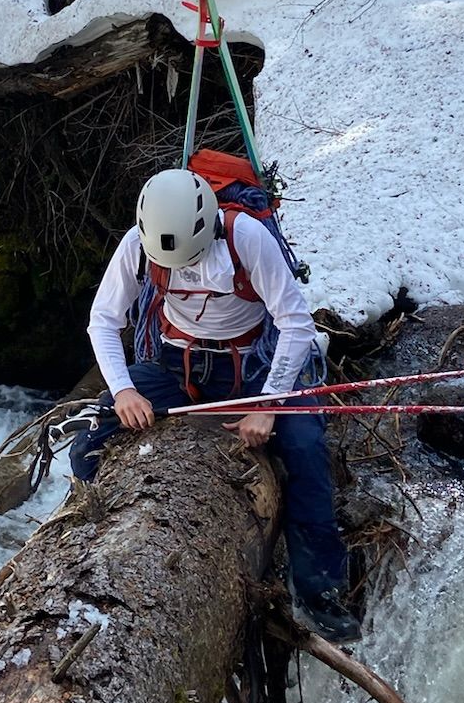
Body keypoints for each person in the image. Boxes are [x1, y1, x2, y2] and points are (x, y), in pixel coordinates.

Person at [70, 167, 361, 643]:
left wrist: (268, 404)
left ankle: (318, 588)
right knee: (89, 446)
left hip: (254, 364)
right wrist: (123, 390)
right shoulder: (137, 244)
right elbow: (103, 320)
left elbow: (295, 323)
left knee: (306, 451)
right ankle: (88, 549)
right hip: (176, 365)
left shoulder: (245, 237)